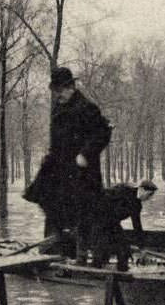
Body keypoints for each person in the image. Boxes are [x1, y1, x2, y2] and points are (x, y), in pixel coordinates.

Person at [24, 66, 111, 258]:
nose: (57, 95)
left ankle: (83, 256)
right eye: (55, 92)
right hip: (60, 170)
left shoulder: (87, 107)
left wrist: (86, 154)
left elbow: (103, 132)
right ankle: (53, 251)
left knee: (83, 212)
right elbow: (58, 141)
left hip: (81, 173)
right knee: (50, 203)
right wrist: (50, 156)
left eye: (60, 91)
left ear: (71, 87)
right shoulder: (59, 109)